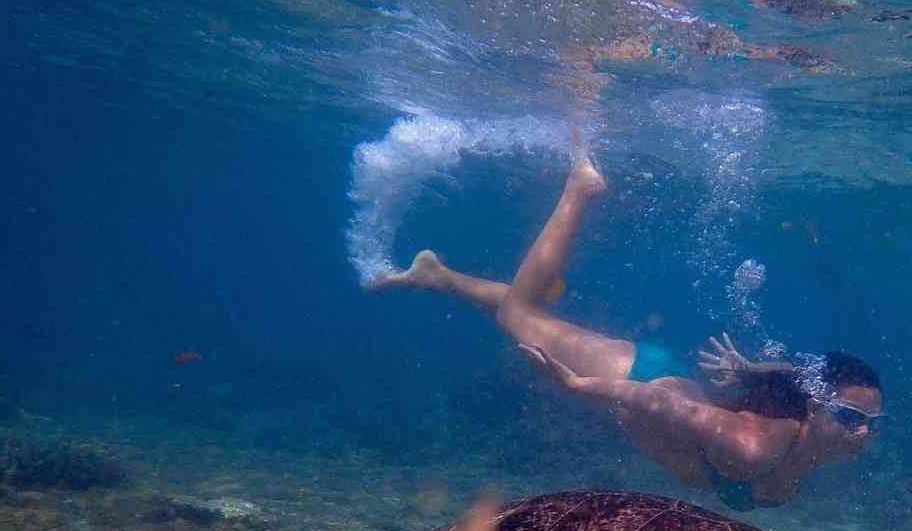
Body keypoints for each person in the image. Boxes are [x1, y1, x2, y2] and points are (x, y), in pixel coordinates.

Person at [372, 136, 886, 510]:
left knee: (533, 319)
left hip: (659, 379)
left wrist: (760, 371)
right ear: (816, 411)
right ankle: (579, 188)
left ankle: (436, 275)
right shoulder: (753, 445)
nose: (862, 433)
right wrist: (580, 385)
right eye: (849, 417)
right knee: (520, 315)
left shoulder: (804, 453)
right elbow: (659, 403)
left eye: (868, 422)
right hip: (639, 377)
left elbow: (789, 381)